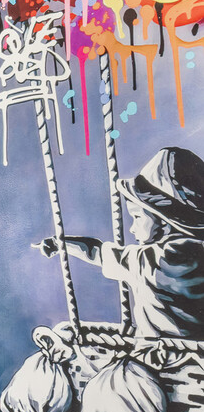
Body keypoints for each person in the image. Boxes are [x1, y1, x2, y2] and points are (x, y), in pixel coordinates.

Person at [40, 146, 204, 340]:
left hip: (158, 359)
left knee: (64, 337)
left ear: (163, 218)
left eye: (136, 217)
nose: (132, 228)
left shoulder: (148, 261)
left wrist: (62, 243)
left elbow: (96, 252)